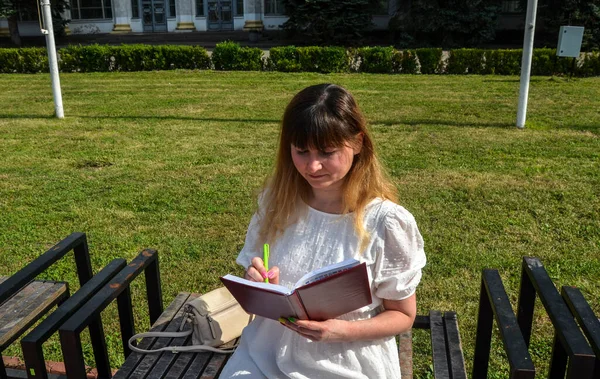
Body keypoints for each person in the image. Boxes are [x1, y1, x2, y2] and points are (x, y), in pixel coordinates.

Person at [219, 83, 426, 378]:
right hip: (265, 354)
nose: (312, 166)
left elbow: (403, 316)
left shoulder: (385, 222)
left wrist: (341, 331)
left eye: (327, 152)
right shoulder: (277, 202)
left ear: (357, 143)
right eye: (301, 151)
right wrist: (262, 284)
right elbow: (255, 279)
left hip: (348, 360)